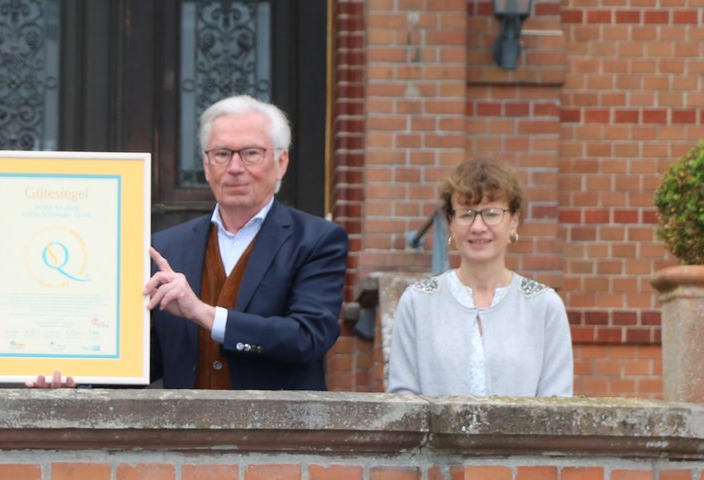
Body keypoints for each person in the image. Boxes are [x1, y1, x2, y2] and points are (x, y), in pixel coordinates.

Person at [145, 95, 347, 390]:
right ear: (206, 164)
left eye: (251, 153)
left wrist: (204, 313)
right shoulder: (165, 247)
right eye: (222, 154)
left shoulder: (317, 240)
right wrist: (76, 374)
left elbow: (307, 337)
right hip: (185, 432)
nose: (235, 167)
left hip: (276, 432)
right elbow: (148, 358)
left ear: (281, 162)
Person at [384, 158, 572, 397]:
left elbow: (556, 408)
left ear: (514, 222)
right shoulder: (418, 302)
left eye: (492, 213)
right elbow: (402, 400)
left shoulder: (545, 306)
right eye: (466, 213)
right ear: (451, 223)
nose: (478, 226)